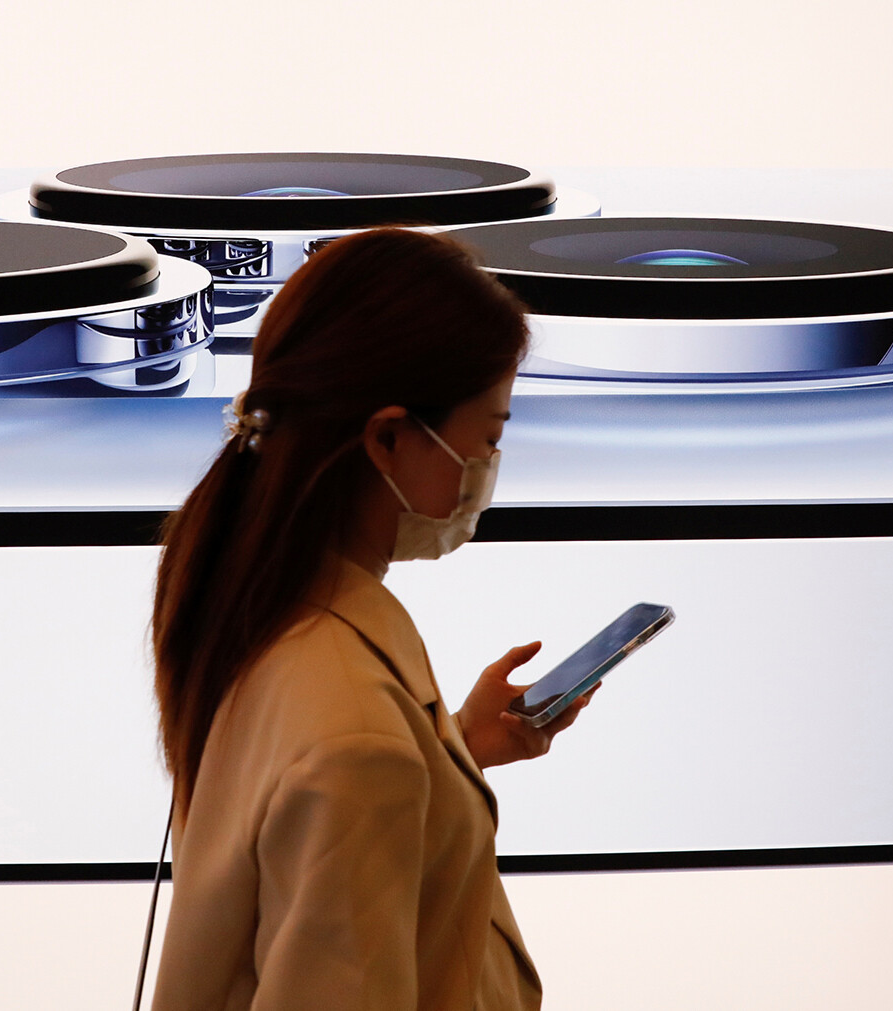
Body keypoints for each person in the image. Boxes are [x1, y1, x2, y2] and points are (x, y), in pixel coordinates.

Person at [150, 228, 589, 1010]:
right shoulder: (356, 737)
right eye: (488, 436)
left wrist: (451, 751)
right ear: (388, 437)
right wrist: (403, 754)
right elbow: (348, 772)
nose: (490, 465)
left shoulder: (266, 609)